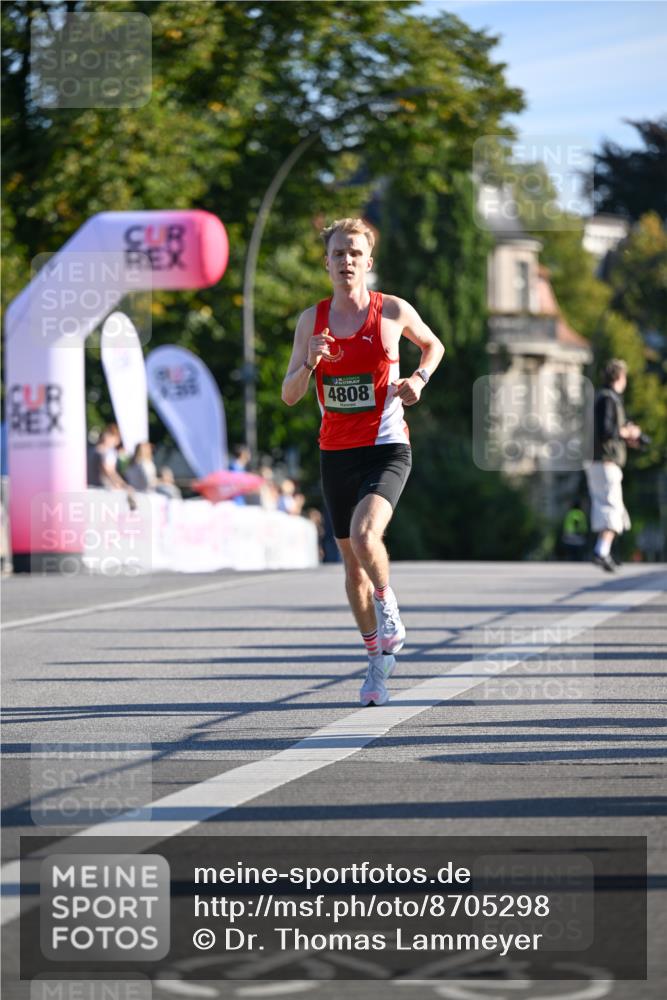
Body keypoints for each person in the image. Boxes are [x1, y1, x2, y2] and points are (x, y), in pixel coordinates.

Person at [282, 217, 445, 706]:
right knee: (350, 568)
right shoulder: (311, 321)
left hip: (387, 446)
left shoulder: (392, 310)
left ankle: (387, 600)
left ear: (368, 263)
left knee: (365, 534)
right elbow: (290, 396)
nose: (346, 262)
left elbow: (434, 345)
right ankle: (377, 660)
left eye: (355, 254)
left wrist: (419, 379)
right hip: (336, 452)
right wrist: (309, 362)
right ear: (326, 262)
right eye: (338, 254)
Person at [586, 359, 642, 572]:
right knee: (612, 509)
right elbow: (607, 430)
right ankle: (601, 551)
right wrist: (627, 432)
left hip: (597, 461)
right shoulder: (609, 399)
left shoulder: (601, 398)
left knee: (607, 508)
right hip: (606, 463)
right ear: (620, 377)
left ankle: (607, 551)